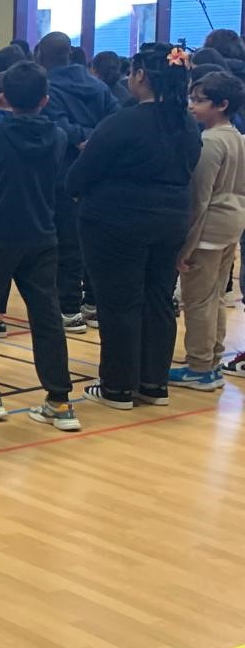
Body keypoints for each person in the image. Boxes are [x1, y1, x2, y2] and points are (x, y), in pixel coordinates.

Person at [71, 43, 201, 411]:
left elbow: (80, 175)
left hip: (118, 222)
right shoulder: (186, 123)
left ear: (141, 76)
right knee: (159, 299)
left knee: (120, 302)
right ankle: (154, 382)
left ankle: (117, 387)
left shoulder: (125, 121)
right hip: (171, 220)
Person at [0, 62, 77, 429]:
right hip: (42, 234)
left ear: (3, 96)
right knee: (46, 318)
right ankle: (60, 400)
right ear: (45, 100)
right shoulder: (58, 136)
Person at [37, 31, 119, 334]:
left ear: (40, 57)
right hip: (100, 172)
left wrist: (81, 137)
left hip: (64, 169)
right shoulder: (98, 85)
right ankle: (94, 304)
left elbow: (55, 122)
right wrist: (96, 138)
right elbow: (115, 117)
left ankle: (68, 308)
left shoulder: (46, 87)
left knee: (67, 242)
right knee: (96, 239)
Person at [174, 71, 245, 389]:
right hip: (231, 225)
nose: (191, 106)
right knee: (215, 297)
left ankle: (200, 366)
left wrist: (185, 248)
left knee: (198, 300)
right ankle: (212, 359)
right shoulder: (237, 136)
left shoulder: (209, 142)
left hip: (208, 231)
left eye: (199, 101)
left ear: (222, 104)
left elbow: (199, 199)